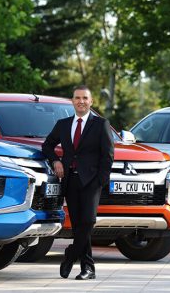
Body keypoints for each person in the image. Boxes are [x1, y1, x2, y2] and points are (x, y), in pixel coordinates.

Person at [42, 85, 114, 280]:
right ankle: (88, 269)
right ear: (72, 101)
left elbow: (108, 156)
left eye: (85, 98)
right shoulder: (63, 124)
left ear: (91, 102)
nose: (81, 101)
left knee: (88, 221)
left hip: (91, 181)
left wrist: (101, 180)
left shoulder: (101, 124)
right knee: (79, 226)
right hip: (70, 181)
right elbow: (47, 145)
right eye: (77, 98)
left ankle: (70, 255)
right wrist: (55, 161)